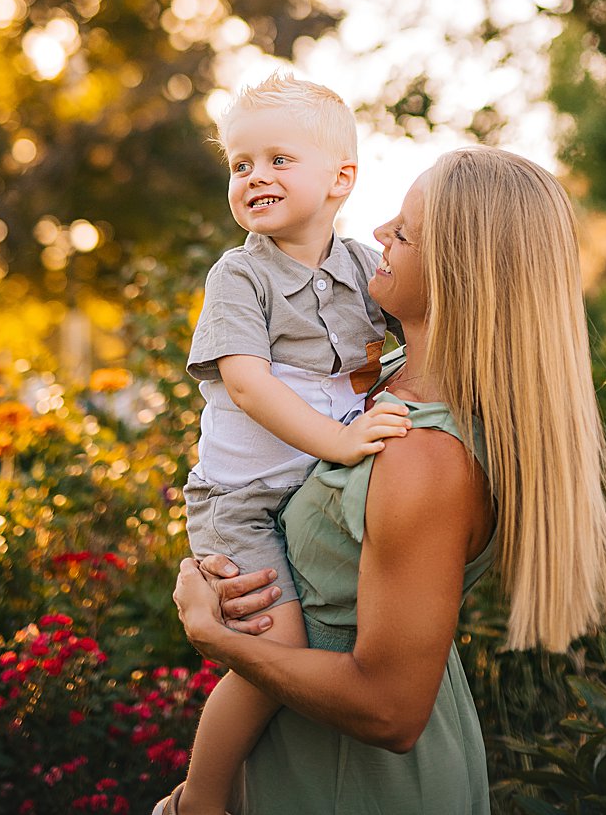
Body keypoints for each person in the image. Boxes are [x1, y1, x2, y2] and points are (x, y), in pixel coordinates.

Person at [164, 147, 606, 814]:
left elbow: (389, 709)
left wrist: (220, 639)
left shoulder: (424, 456)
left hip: (357, 783)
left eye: (403, 231)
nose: (377, 233)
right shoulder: (379, 382)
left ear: (459, 275)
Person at [172, 75, 412, 815]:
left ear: (340, 179)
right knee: (273, 650)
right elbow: (246, 383)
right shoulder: (240, 273)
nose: (256, 176)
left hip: (307, 493)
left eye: (279, 158)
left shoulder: (362, 277)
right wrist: (342, 443)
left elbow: (396, 349)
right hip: (242, 504)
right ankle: (199, 799)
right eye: (241, 164)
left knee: (329, 639)